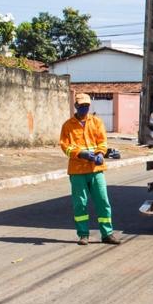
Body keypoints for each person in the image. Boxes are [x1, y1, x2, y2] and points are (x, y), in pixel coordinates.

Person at [59, 93, 122, 246]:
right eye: (81, 107)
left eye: (87, 106)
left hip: (96, 169)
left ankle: (107, 234)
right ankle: (83, 235)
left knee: (102, 201)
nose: (84, 109)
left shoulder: (96, 122)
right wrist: (80, 153)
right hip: (77, 170)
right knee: (80, 203)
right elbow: (65, 146)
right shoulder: (68, 125)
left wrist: (100, 153)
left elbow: (102, 142)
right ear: (76, 106)